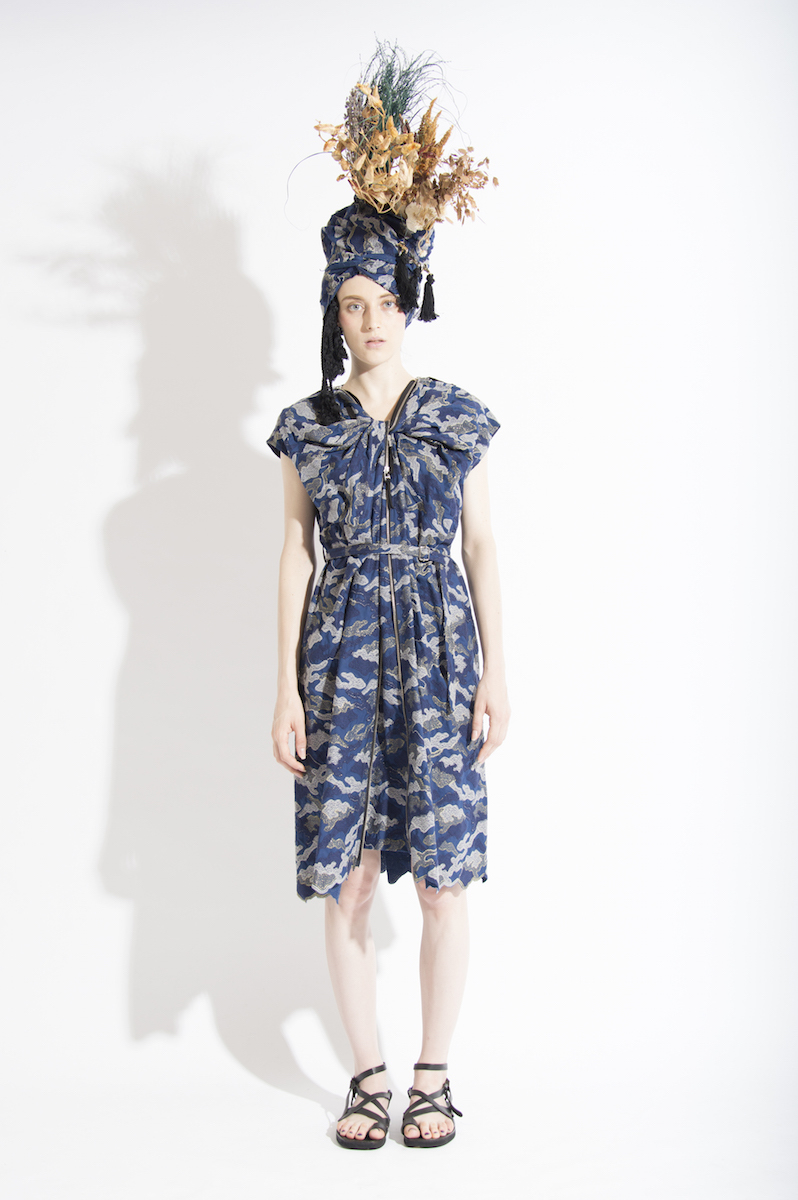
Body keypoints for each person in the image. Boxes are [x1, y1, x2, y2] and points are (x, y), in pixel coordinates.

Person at [269, 54, 509, 1149]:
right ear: (335, 312)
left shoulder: (454, 415)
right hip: (340, 663)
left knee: (445, 881)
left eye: (382, 301)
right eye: (350, 305)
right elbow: (293, 554)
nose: (369, 320)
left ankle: (433, 1075)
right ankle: (366, 1076)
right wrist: (284, 691)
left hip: (442, 657)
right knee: (351, 881)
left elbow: (482, 545)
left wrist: (499, 672)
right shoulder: (308, 428)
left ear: (408, 301)